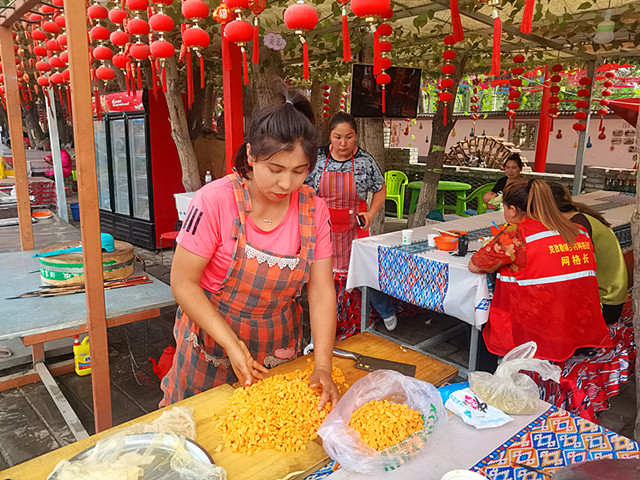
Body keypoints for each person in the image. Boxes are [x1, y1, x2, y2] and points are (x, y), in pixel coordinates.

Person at [160, 85, 339, 409]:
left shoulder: (314, 210)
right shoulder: (215, 201)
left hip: (279, 343)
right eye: (275, 170)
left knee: (271, 437)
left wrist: (322, 365)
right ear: (251, 156)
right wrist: (230, 343)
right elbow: (182, 283)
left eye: (299, 172)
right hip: (211, 340)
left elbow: (322, 291)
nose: (286, 184)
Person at [468, 179, 611, 370]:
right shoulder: (580, 230)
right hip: (581, 324)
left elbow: (476, 264)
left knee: (480, 319)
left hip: (540, 327)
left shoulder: (517, 234)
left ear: (513, 209)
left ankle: (483, 380)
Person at [305, 112, 396, 335]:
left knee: (363, 273)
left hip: (355, 226)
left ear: (356, 135)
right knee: (325, 278)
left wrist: (371, 213)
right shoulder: (316, 159)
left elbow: (380, 188)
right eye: (337, 137)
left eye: (349, 137)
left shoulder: (365, 161)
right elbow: (302, 186)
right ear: (330, 136)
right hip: (323, 228)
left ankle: (385, 311)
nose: (343, 143)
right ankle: (331, 323)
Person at [549, 182, 627, 324]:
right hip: (610, 299)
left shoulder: (578, 226)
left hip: (605, 304)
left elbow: (572, 276)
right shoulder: (578, 218)